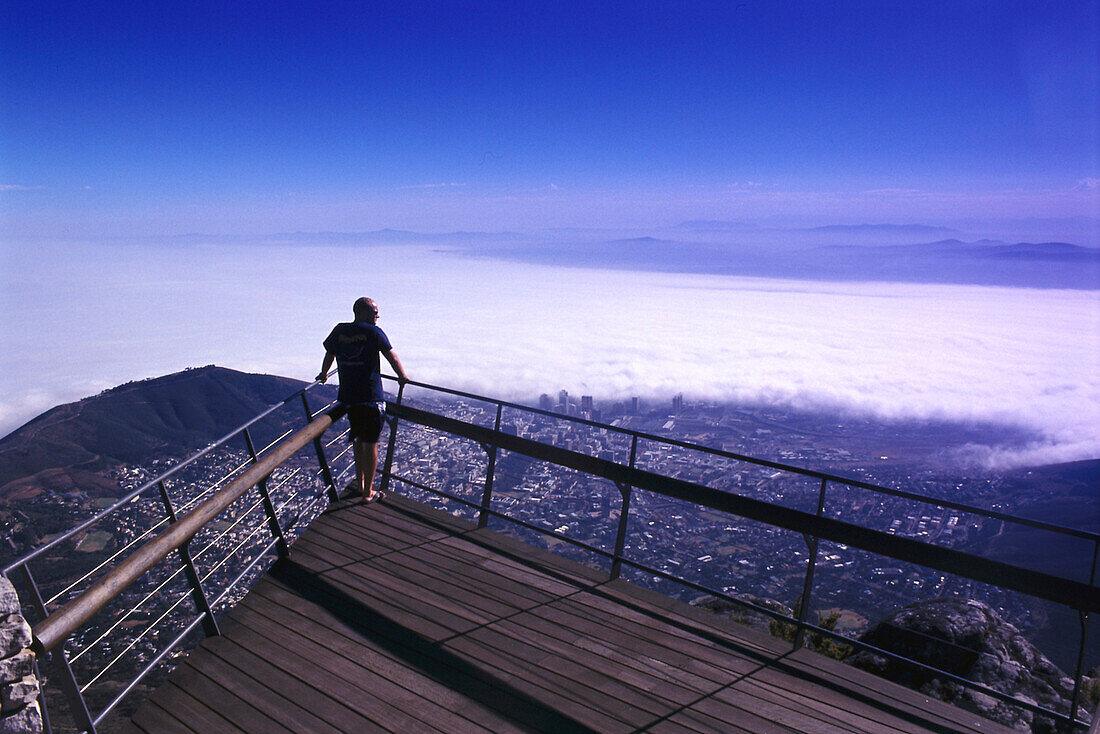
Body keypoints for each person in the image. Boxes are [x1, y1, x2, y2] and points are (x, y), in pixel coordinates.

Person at [317, 297, 408, 503]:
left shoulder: (339, 330)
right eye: (375, 312)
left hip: (349, 398)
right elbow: (391, 357)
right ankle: (368, 493)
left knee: (358, 441)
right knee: (372, 444)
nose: (378, 316)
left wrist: (323, 373)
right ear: (363, 313)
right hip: (371, 397)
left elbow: (329, 354)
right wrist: (402, 377)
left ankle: (361, 484)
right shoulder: (374, 332)